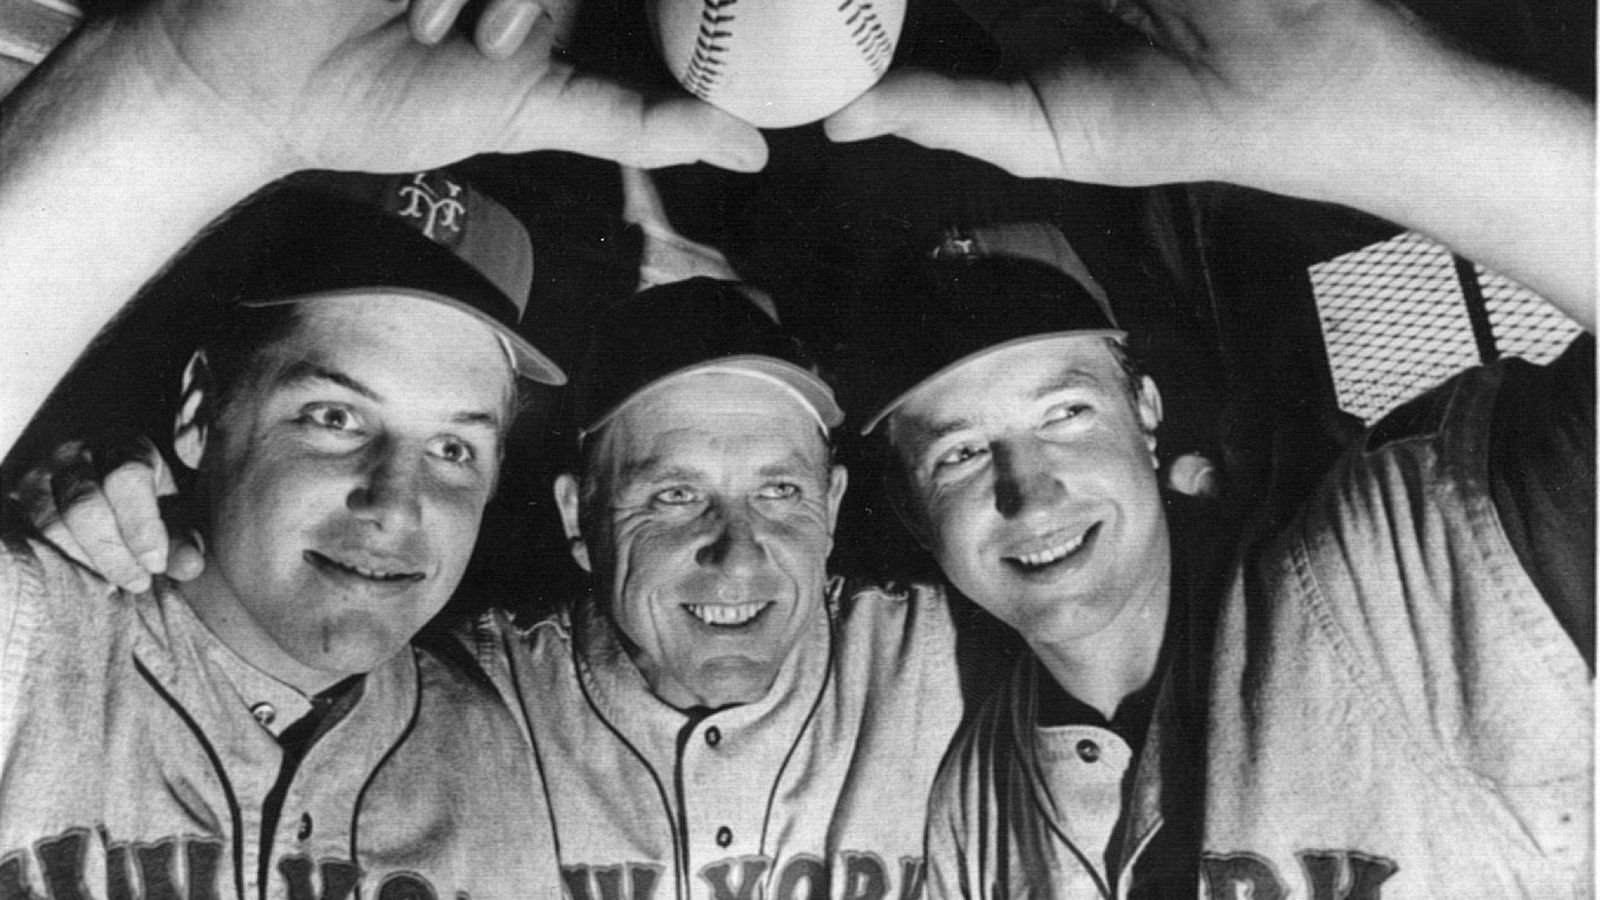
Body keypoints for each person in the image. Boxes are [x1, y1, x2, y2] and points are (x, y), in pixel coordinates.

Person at [0, 1, 765, 896]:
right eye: (335, 418)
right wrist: (188, 89)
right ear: (202, 413)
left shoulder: (489, 751)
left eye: (453, 447)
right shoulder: (37, 637)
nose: (396, 504)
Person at [833, 0, 1594, 895]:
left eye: (1066, 415)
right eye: (958, 455)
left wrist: (1399, 119)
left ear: (1146, 412)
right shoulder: (973, 806)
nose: (1030, 493)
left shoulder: (1395, 570)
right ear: (918, 514)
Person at [470, 278, 966, 899]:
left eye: (779, 492)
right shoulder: (477, 696)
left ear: (832, 506)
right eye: (676, 496)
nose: (738, 558)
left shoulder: (943, 658)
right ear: (579, 516)